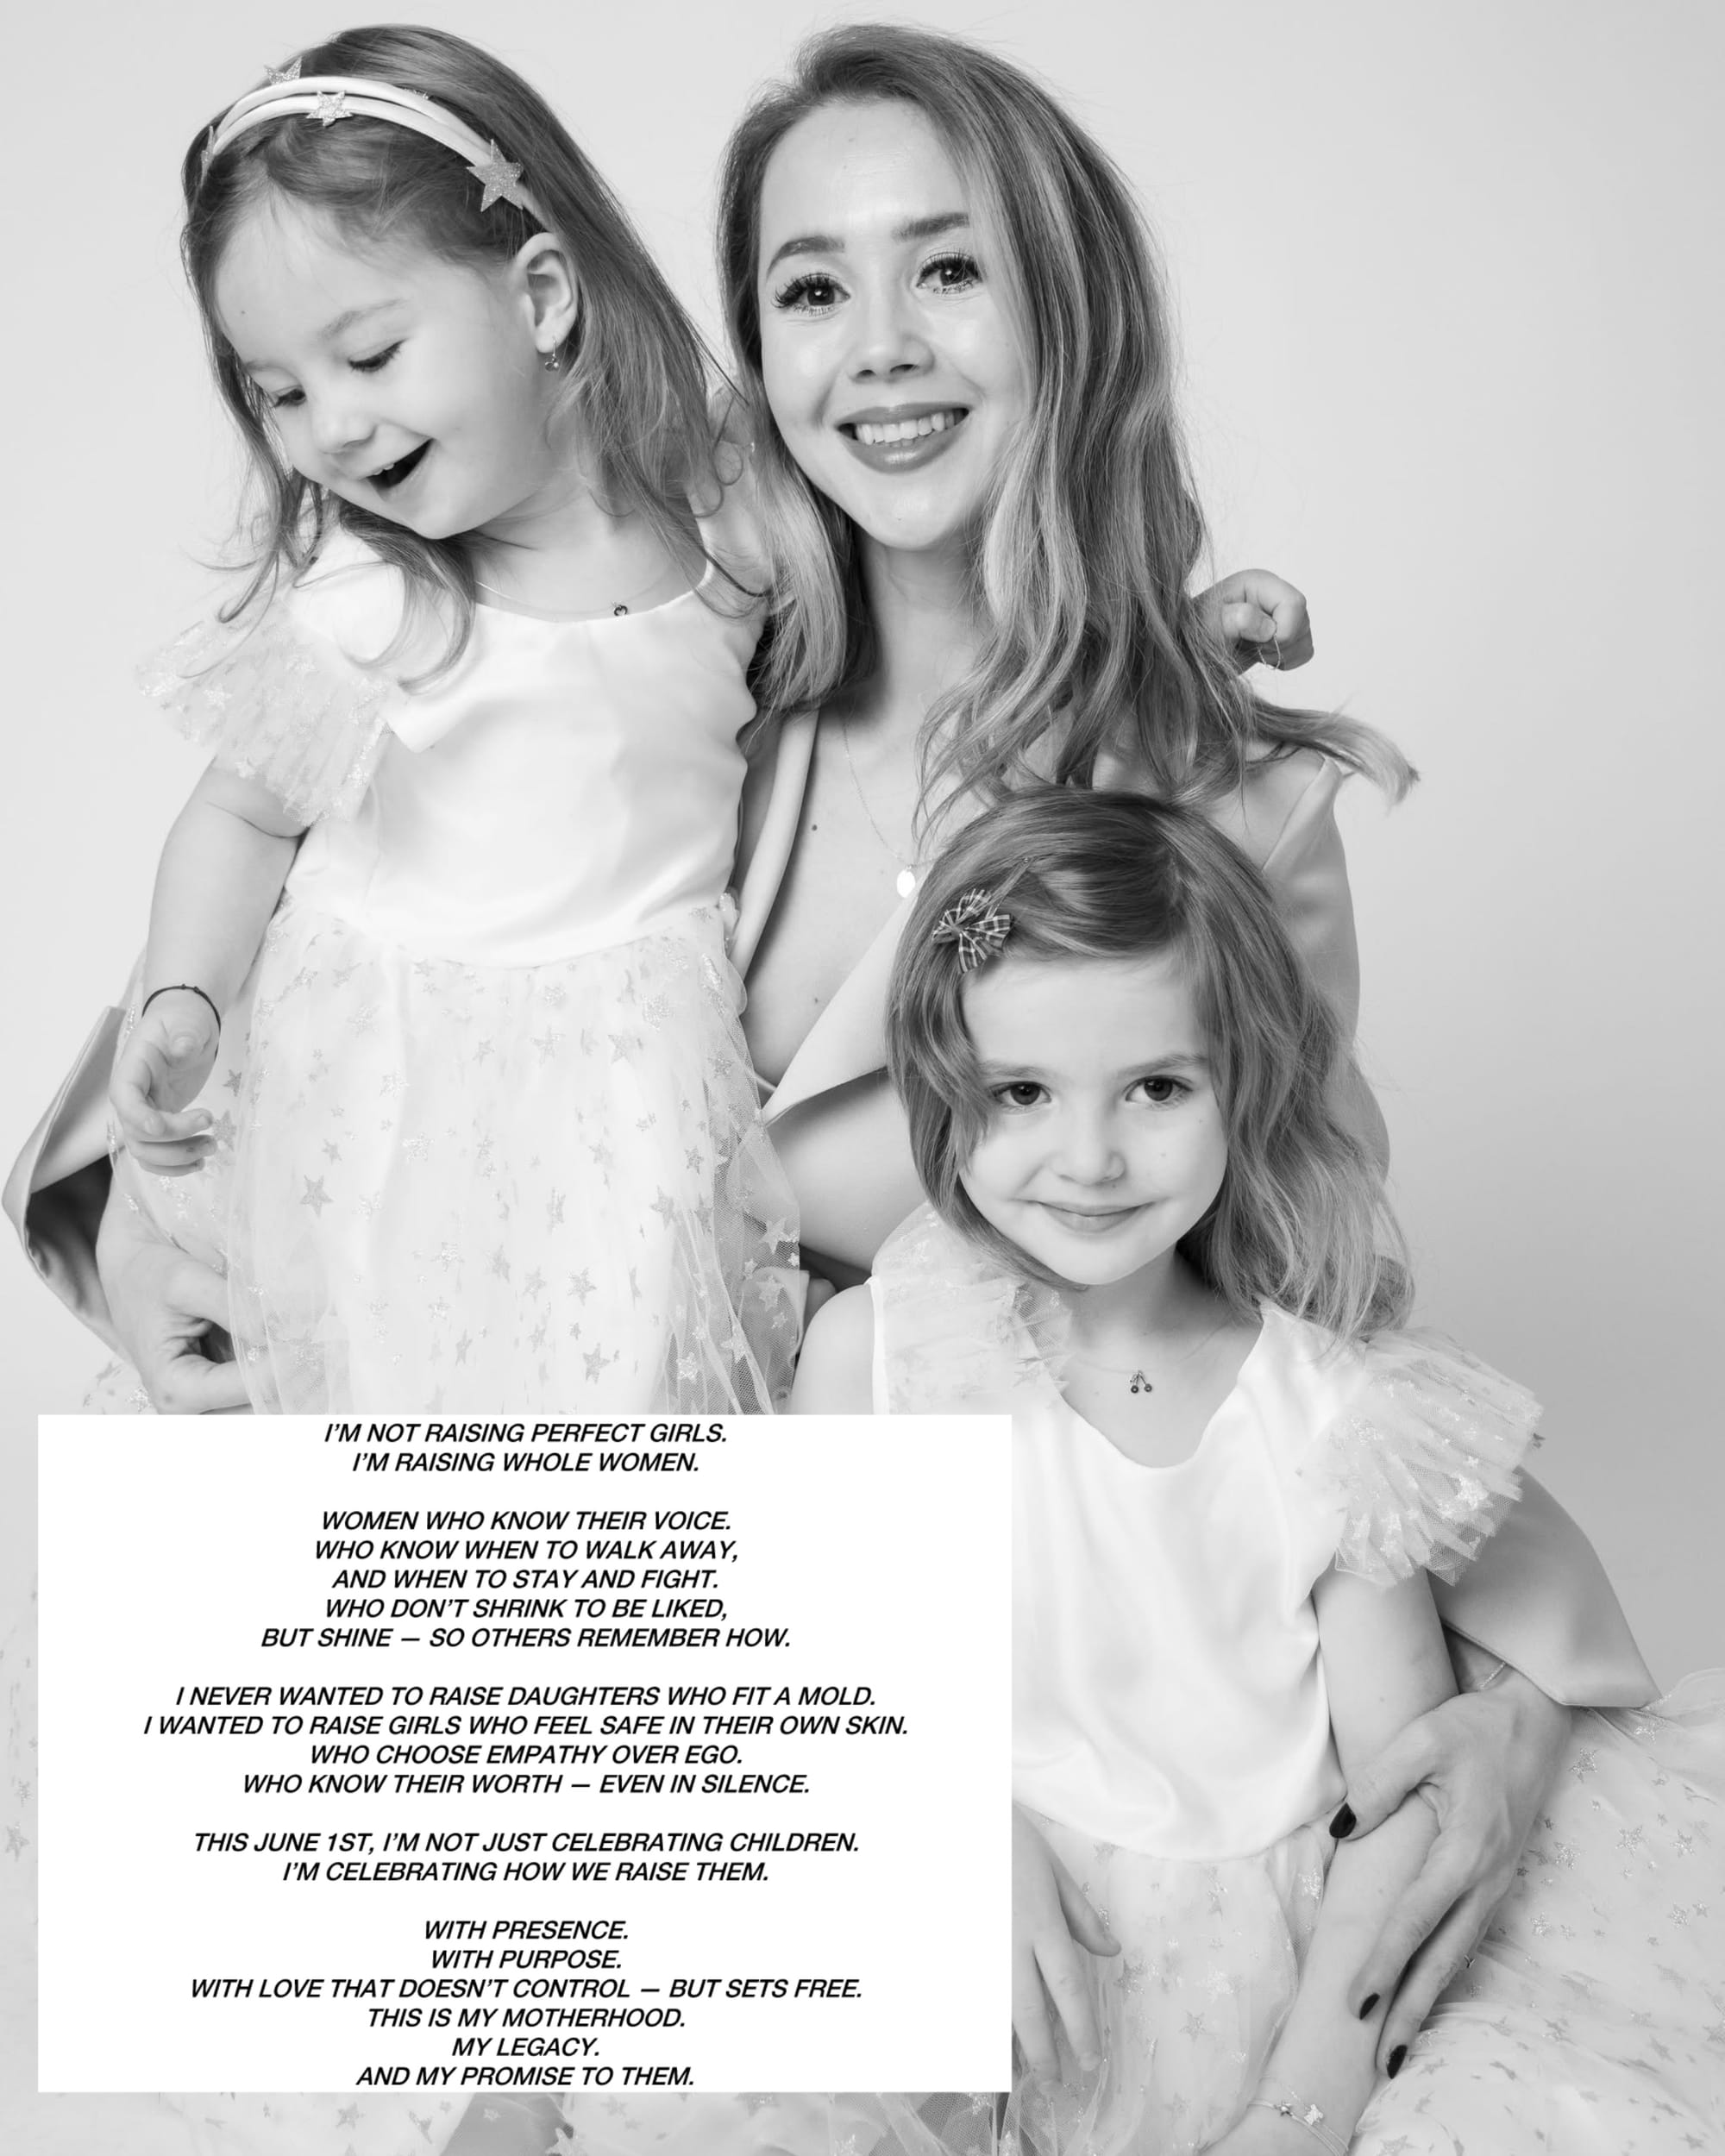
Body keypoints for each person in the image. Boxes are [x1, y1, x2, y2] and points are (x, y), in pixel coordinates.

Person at [3, 14, 1657, 2134]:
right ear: (754, 346)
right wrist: (143, 1205)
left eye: (947, 268)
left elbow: (1300, 1337)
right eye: (810, 287)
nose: (880, 348)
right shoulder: (690, 628)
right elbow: (335, 942)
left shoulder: (1218, 810)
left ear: (1065, 308)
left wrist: (1508, 1702)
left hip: (967, 1678)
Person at [794, 787, 1725, 2154]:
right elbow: (815, 1685)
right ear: (945, 1088)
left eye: (1158, 1088)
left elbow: (1398, 1795)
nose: (1090, 1158)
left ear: (1246, 1083)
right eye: (1023, 1092)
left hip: (1256, 1989)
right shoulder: (878, 1352)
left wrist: (1302, 2107)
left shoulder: (1336, 1411)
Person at [100, 22, 799, 1415]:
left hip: (637, 1077)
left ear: (541, 295)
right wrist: (181, 995)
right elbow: (240, 818)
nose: (331, 429)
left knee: (624, 1412)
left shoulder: (731, 518)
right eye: (281, 393)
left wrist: (1182, 630)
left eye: (370, 355)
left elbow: (952, 607)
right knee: (391, 1409)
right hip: (393, 1085)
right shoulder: (376, 605)